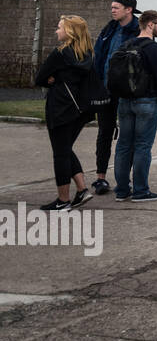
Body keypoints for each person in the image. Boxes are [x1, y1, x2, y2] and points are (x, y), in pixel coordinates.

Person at [34, 15, 100, 211]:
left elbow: (39, 78)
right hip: (81, 110)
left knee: (60, 154)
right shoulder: (87, 54)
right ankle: (82, 190)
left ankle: (63, 200)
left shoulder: (60, 53)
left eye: (59, 27)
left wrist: (51, 80)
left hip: (61, 108)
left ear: (70, 32)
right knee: (65, 148)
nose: (57, 31)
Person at [110, 9, 157, 202]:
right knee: (143, 146)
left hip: (124, 101)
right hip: (147, 100)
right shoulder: (156, 49)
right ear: (151, 25)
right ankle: (141, 191)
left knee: (124, 145)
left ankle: (121, 190)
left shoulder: (125, 46)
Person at [90, 0, 138, 195]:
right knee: (104, 133)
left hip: (126, 90)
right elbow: (99, 55)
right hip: (105, 87)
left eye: (116, 7)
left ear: (129, 9)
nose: (112, 10)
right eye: (112, 7)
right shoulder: (109, 29)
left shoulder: (137, 30)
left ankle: (123, 179)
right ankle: (100, 178)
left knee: (128, 135)